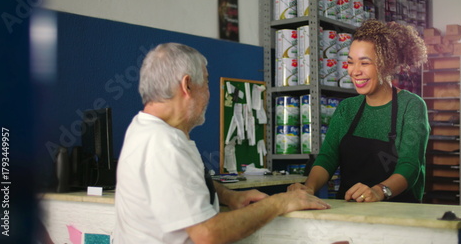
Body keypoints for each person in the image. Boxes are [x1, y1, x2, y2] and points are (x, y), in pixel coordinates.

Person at [113, 43, 329, 243]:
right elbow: (208, 233)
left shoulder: (144, 128)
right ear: (187, 85)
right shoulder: (163, 145)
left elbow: (185, 183)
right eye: (206, 82)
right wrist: (280, 202)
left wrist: (228, 196)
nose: (208, 93)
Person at [288, 19, 430, 203]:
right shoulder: (347, 108)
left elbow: (410, 166)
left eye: (364, 63)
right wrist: (309, 188)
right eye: (350, 62)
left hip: (398, 214)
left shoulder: (411, 106)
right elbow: (327, 157)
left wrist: (379, 191)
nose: (355, 71)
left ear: (386, 64)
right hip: (350, 213)